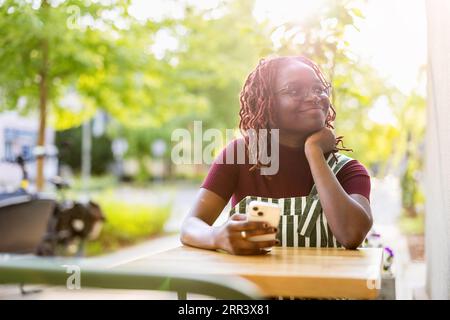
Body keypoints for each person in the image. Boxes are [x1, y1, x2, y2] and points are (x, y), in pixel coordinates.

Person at [180, 55, 373, 255]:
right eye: (294, 90)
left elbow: (351, 234)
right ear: (267, 102)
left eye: (318, 89)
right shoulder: (240, 155)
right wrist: (217, 236)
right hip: (251, 286)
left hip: (325, 287)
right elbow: (190, 226)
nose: (314, 97)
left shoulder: (348, 170)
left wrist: (314, 152)